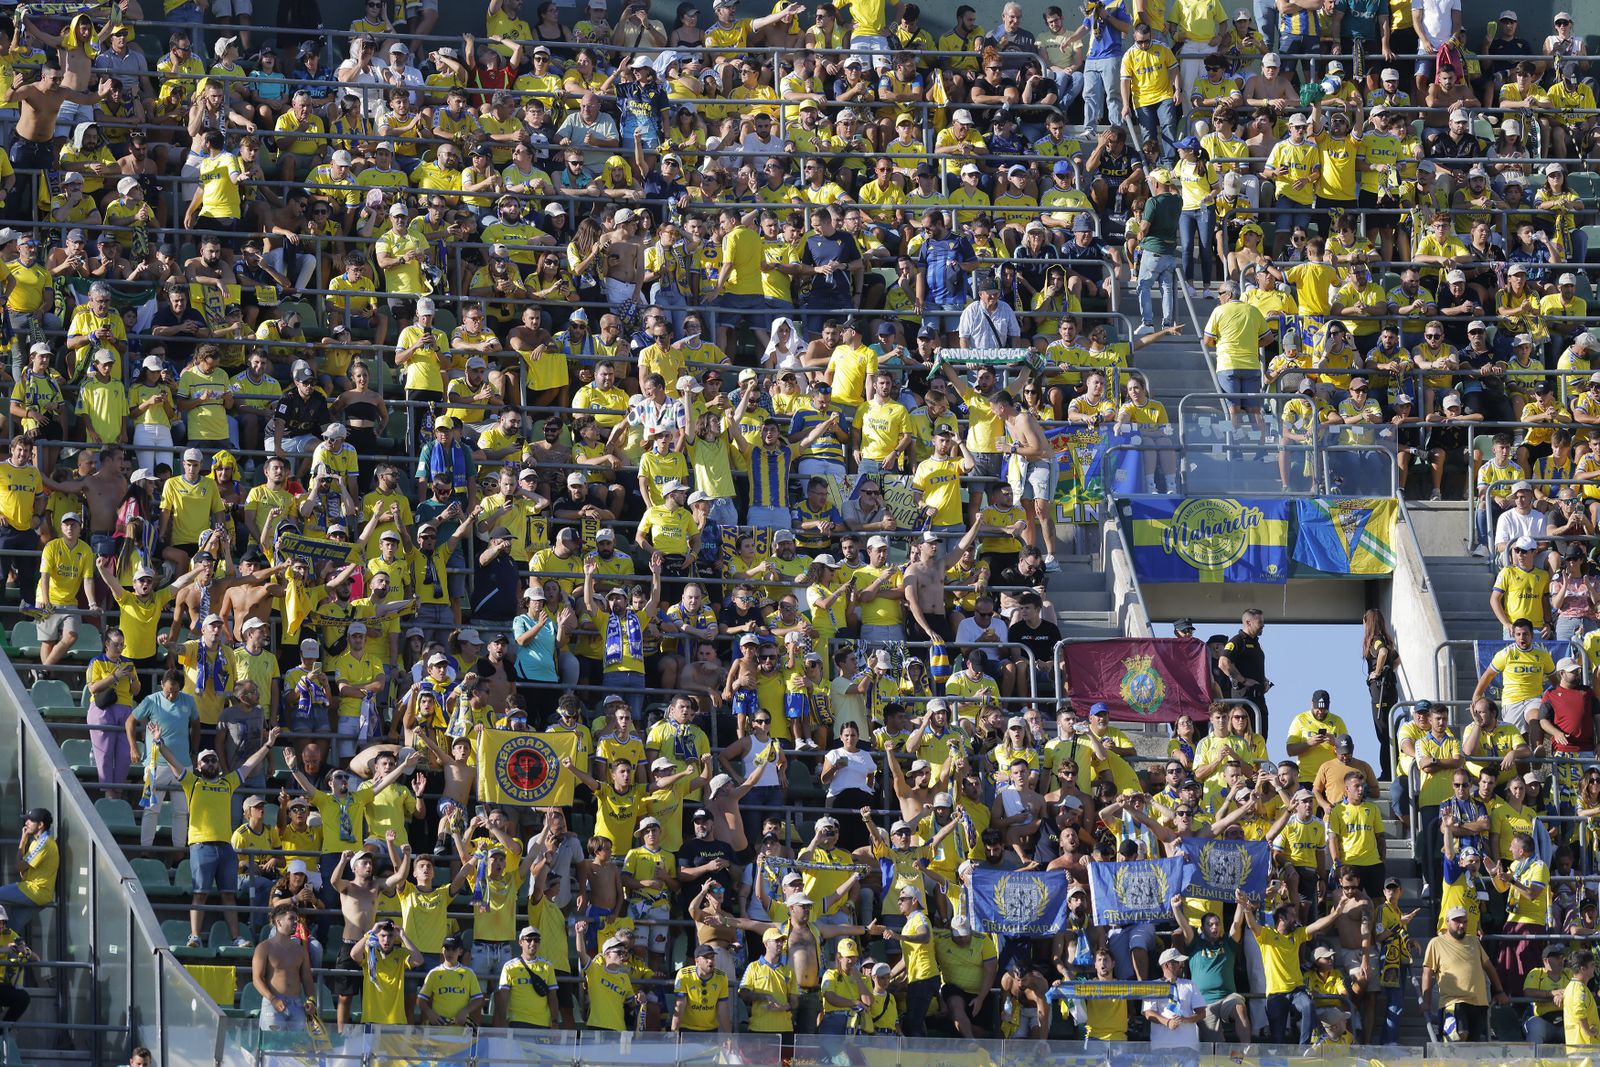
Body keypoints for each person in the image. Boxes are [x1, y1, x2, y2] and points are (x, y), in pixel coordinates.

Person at [1421, 905, 1511, 1042]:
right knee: (1458, 1035)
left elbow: (1489, 967)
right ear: (1447, 921)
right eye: (1457, 921)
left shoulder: (1474, 941)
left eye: (1464, 921)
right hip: (1453, 1001)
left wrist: (1499, 991)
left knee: (1473, 1045)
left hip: (1478, 1002)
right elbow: (1427, 973)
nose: (1461, 925)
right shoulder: (1436, 943)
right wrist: (1426, 1002)